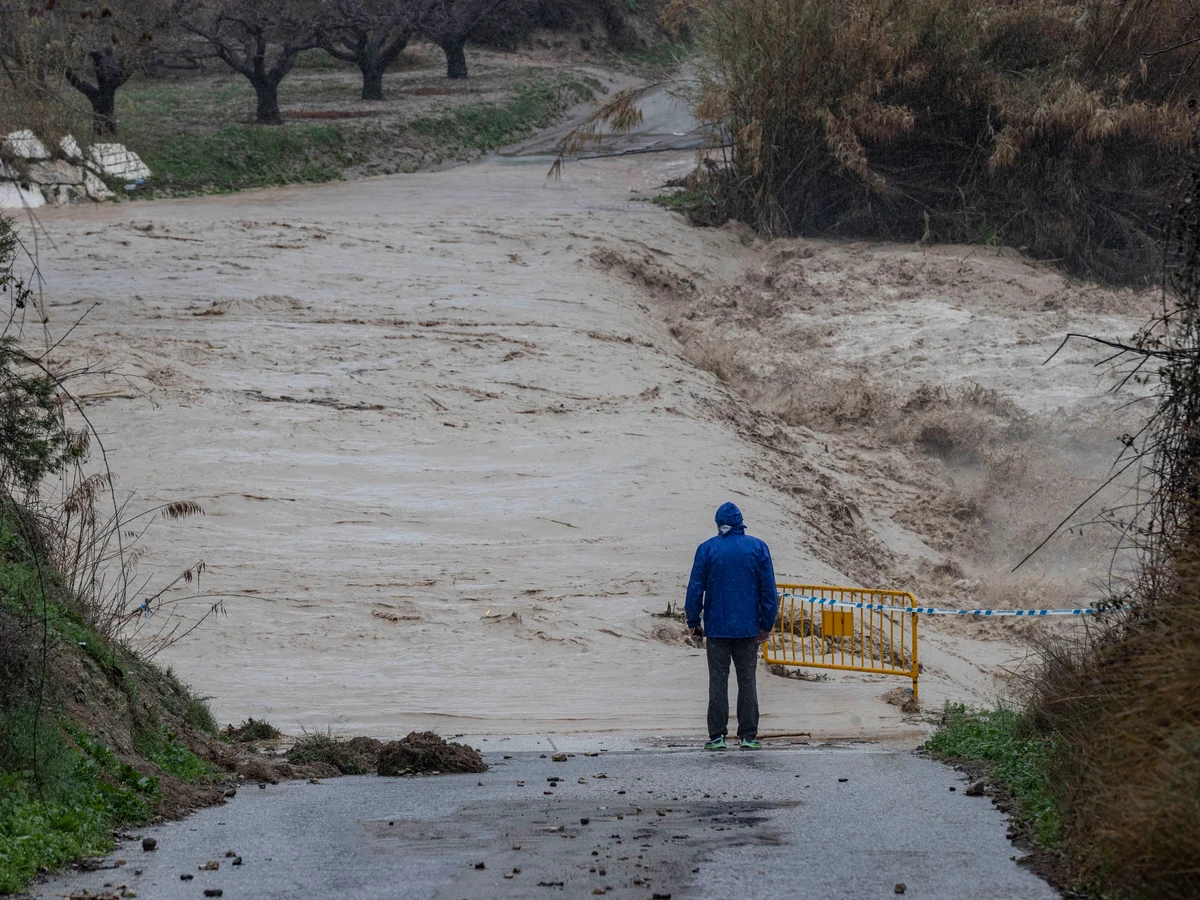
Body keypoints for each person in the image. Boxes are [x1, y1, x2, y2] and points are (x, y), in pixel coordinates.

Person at [685, 502, 778, 751]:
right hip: (748, 629)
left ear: (718, 524)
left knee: (718, 681)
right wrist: (766, 624)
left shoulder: (706, 549)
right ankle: (748, 735)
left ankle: (717, 736)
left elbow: (695, 589)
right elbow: (769, 590)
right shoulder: (758, 548)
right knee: (747, 681)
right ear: (741, 522)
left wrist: (693, 622)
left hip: (716, 628)